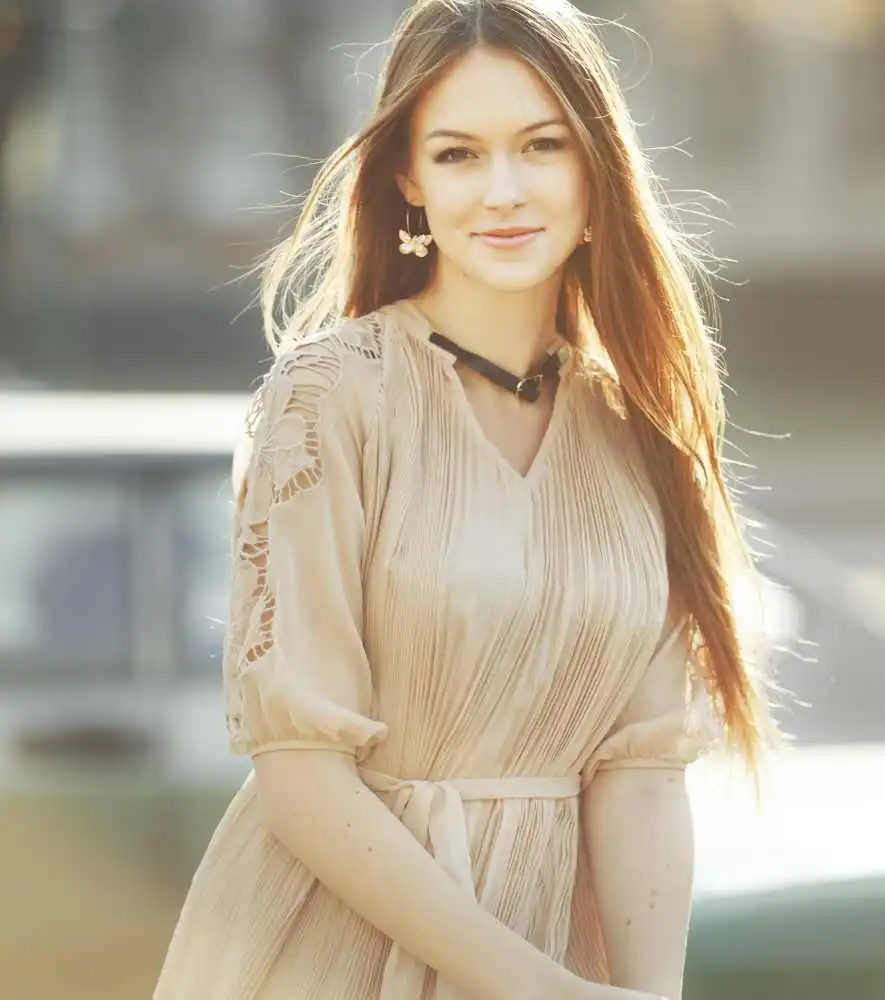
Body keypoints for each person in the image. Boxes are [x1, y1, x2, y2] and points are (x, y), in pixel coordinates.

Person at [154, 1, 775, 998]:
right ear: (407, 178)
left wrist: (650, 995)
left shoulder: (635, 423)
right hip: (334, 952)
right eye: (456, 155)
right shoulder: (328, 397)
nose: (503, 190)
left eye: (541, 145)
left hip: (559, 949)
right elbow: (301, 774)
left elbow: (639, 768)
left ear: (596, 166)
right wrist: (538, 990)